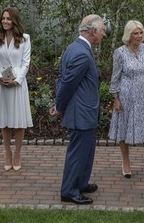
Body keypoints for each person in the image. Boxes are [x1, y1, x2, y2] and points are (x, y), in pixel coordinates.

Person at [49, 14, 106, 205]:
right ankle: (69, 191)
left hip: (84, 111)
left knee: (86, 151)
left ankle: (80, 183)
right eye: (102, 30)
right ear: (94, 31)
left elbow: (61, 78)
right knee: (78, 152)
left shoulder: (75, 48)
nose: (104, 34)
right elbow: (66, 83)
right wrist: (59, 106)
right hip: (80, 112)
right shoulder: (81, 52)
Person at [108, 20, 144, 180]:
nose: (139, 36)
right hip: (125, 96)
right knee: (124, 130)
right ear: (128, 35)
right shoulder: (120, 52)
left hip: (142, 97)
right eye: (135, 33)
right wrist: (116, 98)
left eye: (141, 32)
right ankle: (126, 163)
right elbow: (115, 77)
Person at [0, 7, 33, 172]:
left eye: (8, 19)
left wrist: (17, 80)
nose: (5, 21)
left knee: (19, 122)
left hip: (17, 85)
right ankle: (7, 154)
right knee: (5, 122)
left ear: (14, 20)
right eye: (3, 19)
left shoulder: (25, 39)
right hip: (3, 84)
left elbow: (26, 63)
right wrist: (0, 77)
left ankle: (17, 154)